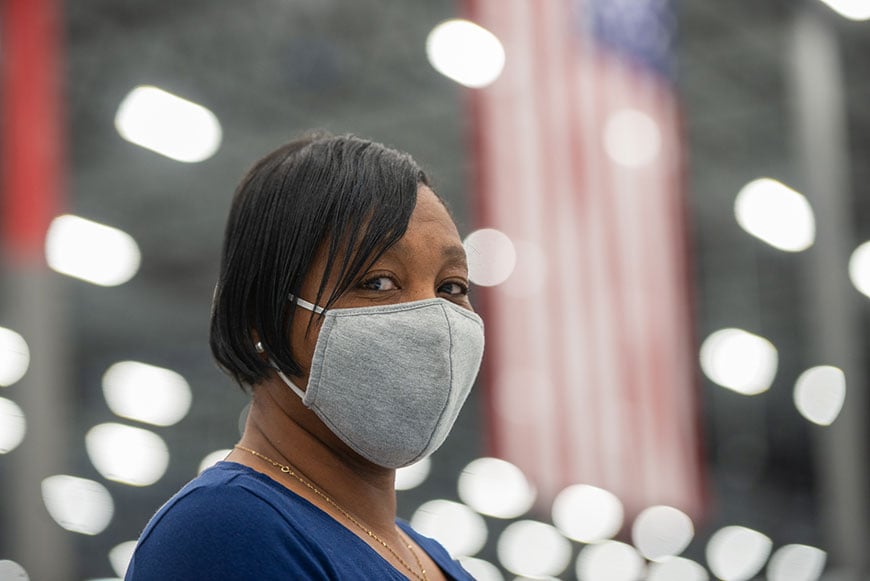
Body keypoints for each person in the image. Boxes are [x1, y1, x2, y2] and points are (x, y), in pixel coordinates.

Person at [125, 133, 485, 580]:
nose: (434, 321)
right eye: (377, 282)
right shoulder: (227, 530)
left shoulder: (431, 556)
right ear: (261, 313)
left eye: (451, 287)